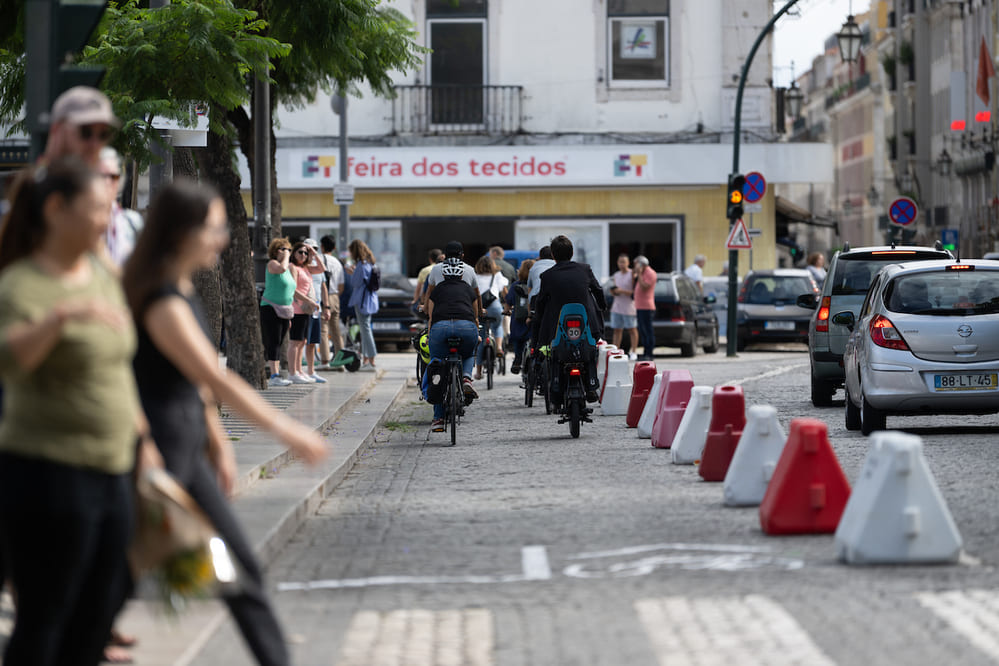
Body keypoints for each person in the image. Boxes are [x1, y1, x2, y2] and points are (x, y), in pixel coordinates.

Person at [123, 179, 327, 666]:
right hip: (160, 454)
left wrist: (218, 441)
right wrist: (289, 431)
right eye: (215, 228)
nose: (223, 239)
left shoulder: (182, 290)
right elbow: (221, 382)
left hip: (184, 449)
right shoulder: (162, 301)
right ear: (182, 232)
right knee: (112, 585)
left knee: (239, 573)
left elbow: (198, 385)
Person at [0, 158, 160, 666]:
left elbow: (118, 368)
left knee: (99, 612)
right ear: (55, 209)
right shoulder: (21, 284)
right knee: (46, 619)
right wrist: (62, 315)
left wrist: (146, 443)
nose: (105, 219)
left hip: (113, 470)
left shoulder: (99, 272)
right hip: (48, 474)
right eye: (96, 209)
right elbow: (11, 359)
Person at [531, 235, 606, 402]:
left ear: (553, 256)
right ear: (572, 253)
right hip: (587, 323)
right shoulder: (585, 269)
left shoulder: (547, 276)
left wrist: (538, 320)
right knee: (591, 350)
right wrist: (602, 306)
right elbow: (598, 290)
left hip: (557, 325)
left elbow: (541, 301)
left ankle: (556, 384)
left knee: (555, 353)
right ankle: (591, 384)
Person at [426, 251, 481, 432]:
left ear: (443, 274)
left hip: (440, 328)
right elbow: (475, 314)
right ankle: (466, 377)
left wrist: (430, 331)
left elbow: (431, 314)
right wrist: (476, 329)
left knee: (437, 365)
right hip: (466, 327)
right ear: (460, 273)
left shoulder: (438, 289)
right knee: (469, 351)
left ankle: (438, 419)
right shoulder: (467, 288)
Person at [41, 86, 119, 168]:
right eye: (85, 132)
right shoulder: (33, 180)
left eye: (103, 135)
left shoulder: (99, 180)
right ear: (57, 129)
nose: (94, 145)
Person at [99, 146, 144, 268]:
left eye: (114, 177)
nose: (108, 182)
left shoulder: (132, 222)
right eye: (102, 176)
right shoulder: (75, 221)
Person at [260, 238, 295, 387]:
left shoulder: (288, 269)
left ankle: (276, 373)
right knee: (273, 341)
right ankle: (274, 375)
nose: (286, 252)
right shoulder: (272, 264)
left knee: (279, 342)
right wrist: (286, 256)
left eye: (288, 249)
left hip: (284, 310)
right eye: (282, 249)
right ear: (275, 251)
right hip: (271, 308)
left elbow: (292, 289)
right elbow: (282, 269)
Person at [287, 241, 323, 384]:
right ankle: (292, 372)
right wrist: (309, 301)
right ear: (293, 253)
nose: (303, 255)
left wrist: (314, 254)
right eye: (300, 252)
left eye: (305, 253)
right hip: (297, 309)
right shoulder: (293, 267)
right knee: (295, 342)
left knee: (303, 342)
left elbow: (322, 268)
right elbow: (293, 290)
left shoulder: (305, 267)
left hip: (306, 310)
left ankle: (299, 371)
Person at [473, 255, 509, 379]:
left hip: (480, 308)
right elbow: (505, 293)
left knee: (481, 337)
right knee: (497, 326)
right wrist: (508, 307)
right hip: (495, 307)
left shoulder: (475, 277)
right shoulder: (497, 276)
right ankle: (499, 347)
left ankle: (478, 372)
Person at [347, 239, 379, 371]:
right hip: (369, 300)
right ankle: (367, 359)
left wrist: (351, 272)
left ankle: (371, 360)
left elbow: (355, 282)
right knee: (365, 328)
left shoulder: (361, 264)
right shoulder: (370, 263)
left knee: (365, 329)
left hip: (362, 300)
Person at [301, 238, 329, 384]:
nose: (313, 253)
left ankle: (311, 371)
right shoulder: (301, 267)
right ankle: (298, 370)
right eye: (310, 250)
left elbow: (323, 287)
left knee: (312, 341)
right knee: (301, 341)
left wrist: (327, 307)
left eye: (315, 249)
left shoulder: (317, 267)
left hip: (316, 307)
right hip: (304, 307)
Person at [504, 258, 534, 374]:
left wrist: (507, 311)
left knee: (518, 342)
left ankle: (517, 359)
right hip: (532, 319)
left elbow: (508, 302)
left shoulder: (515, 286)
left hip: (518, 321)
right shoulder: (536, 285)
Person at [320, 235, 345, 369]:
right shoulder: (337, 262)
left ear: (322, 246)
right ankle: (340, 360)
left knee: (323, 330)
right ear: (334, 248)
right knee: (336, 331)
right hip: (336, 296)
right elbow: (342, 286)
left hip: (325, 296)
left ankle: (325, 361)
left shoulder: (319, 259)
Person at [609, 253, 639, 361]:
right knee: (617, 330)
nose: (621, 264)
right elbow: (613, 290)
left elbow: (635, 292)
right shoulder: (616, 275)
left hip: (629, 306)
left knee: (632, 329)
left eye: (624, 262)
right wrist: (613, 291)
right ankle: (615, 350)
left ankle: (634, 351)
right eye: (620, 262)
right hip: (617, 306)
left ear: (628, 263)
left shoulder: (632, 275)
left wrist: (621, 291)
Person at [633, 255, 657, 360]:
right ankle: (645, 352)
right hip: (640, 306)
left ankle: (649, 353)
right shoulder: (642, 273)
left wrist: (638, 273)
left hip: (646, 307)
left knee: (647, 330)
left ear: (641, 264)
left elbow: (644, 286)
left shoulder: (650, 273)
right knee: (642, 330)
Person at [413, 248, 442, 314]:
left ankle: (424, 321)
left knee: (418, 309)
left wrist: (416, 301)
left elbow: (421, 290)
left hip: (428, 304)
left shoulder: (425, 271)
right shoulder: (446, 271)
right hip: (442, 305)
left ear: (430, 259)